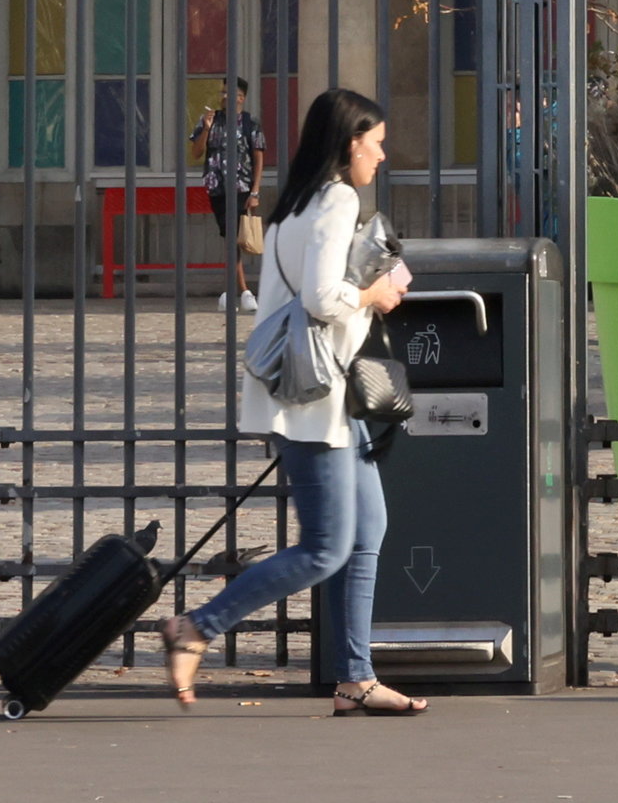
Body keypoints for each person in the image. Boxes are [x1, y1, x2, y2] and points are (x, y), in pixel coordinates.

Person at [164, 87, 424, 714]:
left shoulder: (292, 208)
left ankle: (356, 679)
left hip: (318, 396)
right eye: (377, 143)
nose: (382, 156)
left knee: (369, 531)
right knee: (327, 547)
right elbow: (322, 300)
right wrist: (378, 294)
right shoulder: (337, 199)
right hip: (315, 404)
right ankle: (197, 626)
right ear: (350, 143)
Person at [193, 88, 267, 287]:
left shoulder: (250, 124)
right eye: (223, 93)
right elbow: (196, 152)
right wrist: (207, 129)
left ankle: (241, 290)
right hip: (216, 186)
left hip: (241, 187)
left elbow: (259, 158)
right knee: (229, 235)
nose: (225, 97)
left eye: (231, 93)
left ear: (241, 98)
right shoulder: (210, 120)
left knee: (232, 234)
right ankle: (238, 291)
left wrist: (255, 191)